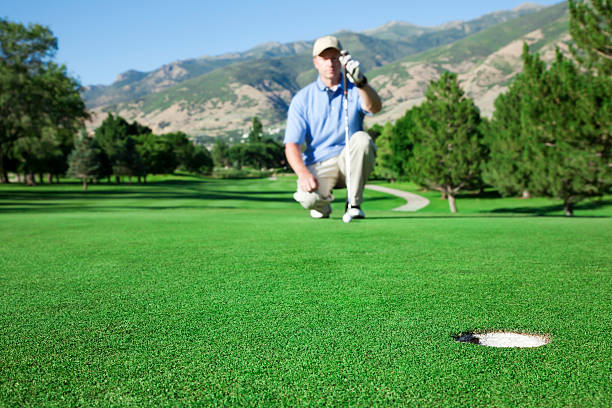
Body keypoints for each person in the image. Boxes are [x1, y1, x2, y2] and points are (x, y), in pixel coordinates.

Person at [284, 35, 382, 220]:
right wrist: (303, 174)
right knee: (308, 199)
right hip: (319, 164)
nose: (330, 63)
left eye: (335, 58)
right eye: (325, 58)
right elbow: (292, 145)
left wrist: (361, 82)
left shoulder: (356, 88)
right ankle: (322, 205)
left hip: (349, 160)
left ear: (343, 60)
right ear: (316, 62)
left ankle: (353, 204)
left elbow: (374, 107)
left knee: (363, 139)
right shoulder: (302, 99)